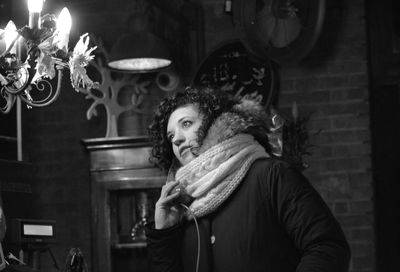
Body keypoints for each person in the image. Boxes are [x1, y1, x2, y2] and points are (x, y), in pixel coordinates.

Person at [145, 87, 350, 272]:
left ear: (215, 123)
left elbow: (327, 247)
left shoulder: (271, 175)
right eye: (171, 136)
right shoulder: (183, 205)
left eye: (187, 124)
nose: (177, 139)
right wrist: (164, 233)